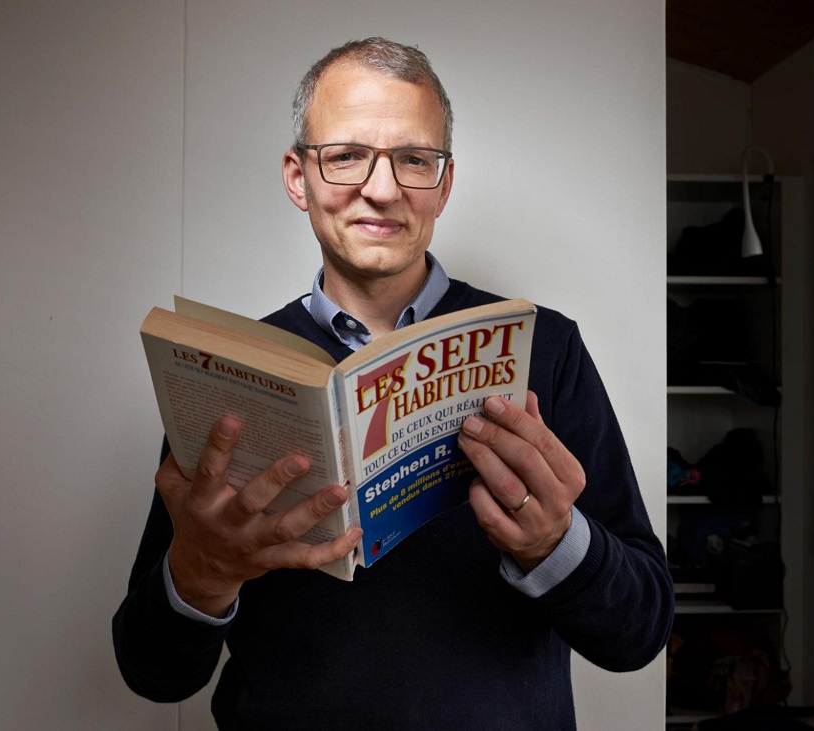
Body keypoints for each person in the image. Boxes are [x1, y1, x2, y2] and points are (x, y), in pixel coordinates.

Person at [113, 37, 673, 730]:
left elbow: (640, 632)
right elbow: (152, 671)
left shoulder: (546, 349)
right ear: (298, 177)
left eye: (414, 159)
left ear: (444, 182)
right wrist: (201, 572)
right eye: (346, 156)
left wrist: (555, 541)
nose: (381, 189)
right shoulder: (228, 369)